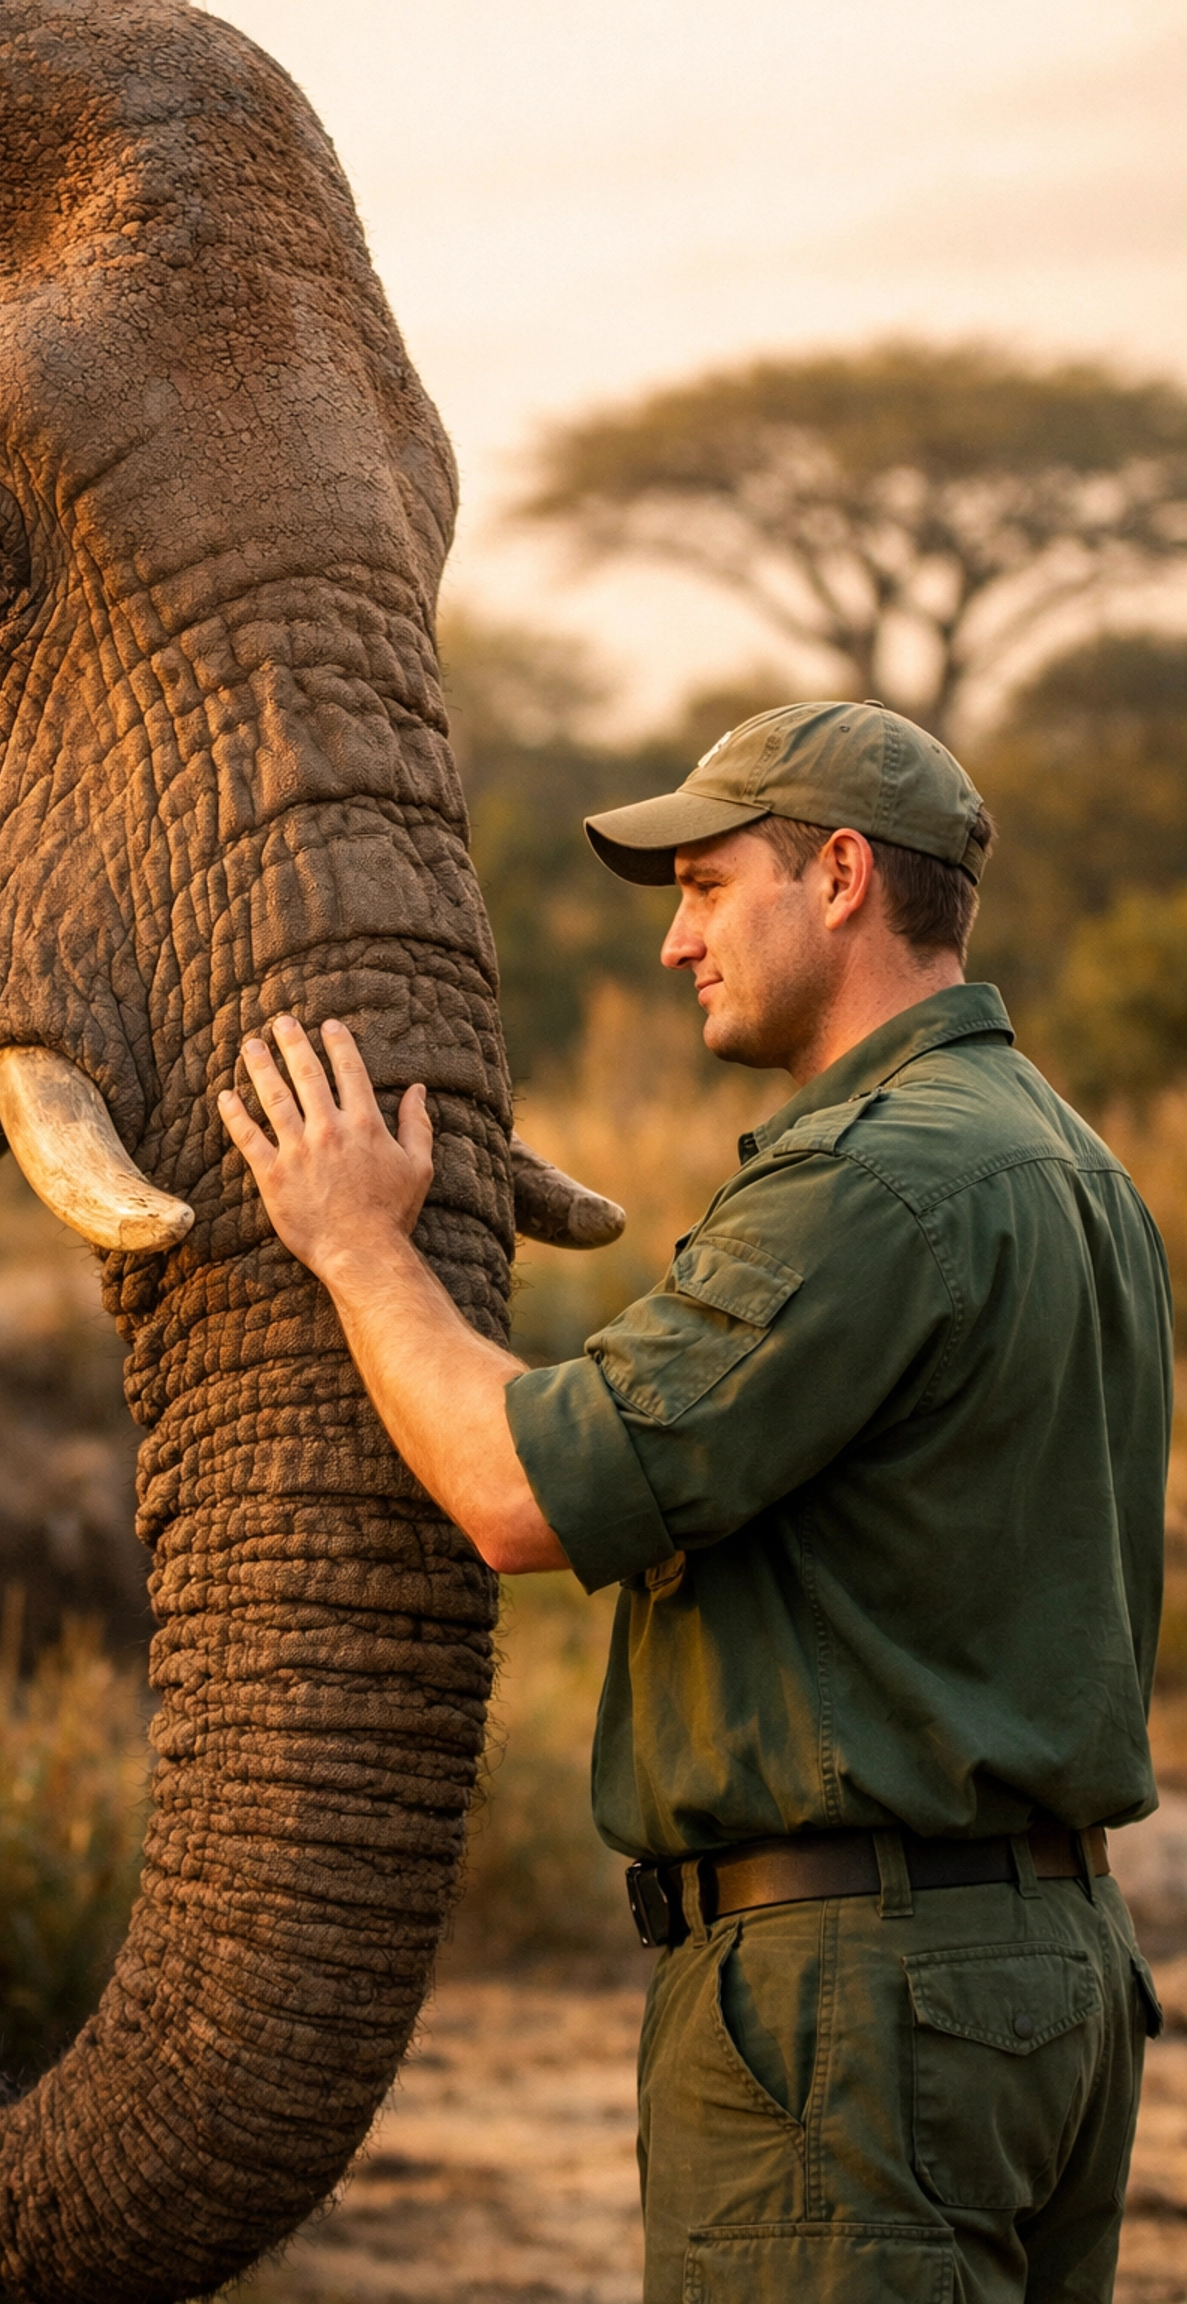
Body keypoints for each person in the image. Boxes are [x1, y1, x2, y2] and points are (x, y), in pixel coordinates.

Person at [217, 699, 1169, 2304]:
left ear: (844, 876)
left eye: (710, 887)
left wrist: (357, 1243)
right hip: (1054, 1982)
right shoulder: (1079, 1171)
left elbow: (520, 1494)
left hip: (856, 2006)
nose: (679, 944)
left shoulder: (868, 1183)